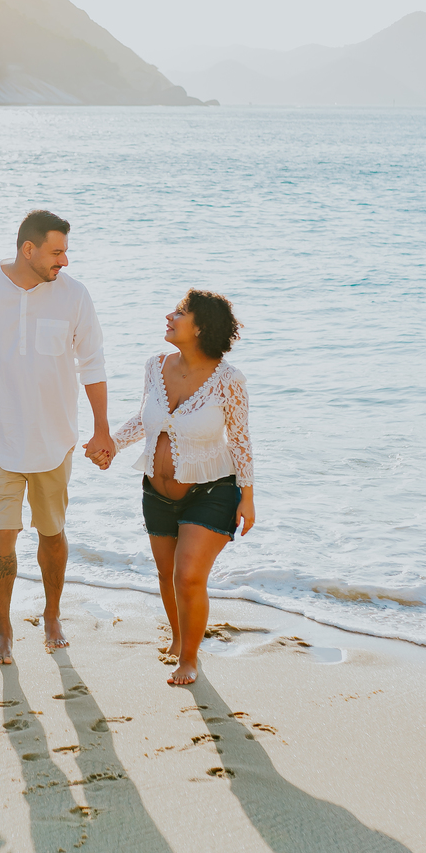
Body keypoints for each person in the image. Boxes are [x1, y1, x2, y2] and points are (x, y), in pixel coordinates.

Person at [0, 209, 116, 664]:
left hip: (54, 437)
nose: (64, 261)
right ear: (29, 249)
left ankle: (53, 614)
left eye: (66, 252)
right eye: (57, 252)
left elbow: (92, 364)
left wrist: (102, 428)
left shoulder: (75, 296)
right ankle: (2, 628)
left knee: (52, 532)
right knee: (3, 535)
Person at [102, 290, 254, 685]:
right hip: (156, 491)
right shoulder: (156, 366)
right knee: (168, 574)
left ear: (201, 327)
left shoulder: (229, 380)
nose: (170, 316)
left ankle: (189, 658)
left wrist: (249, 497)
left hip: (212, 490)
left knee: (188, 576)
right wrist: (112, 445)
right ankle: (178, 638)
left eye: (180, 312)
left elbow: (239, 440)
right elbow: (144, 418)